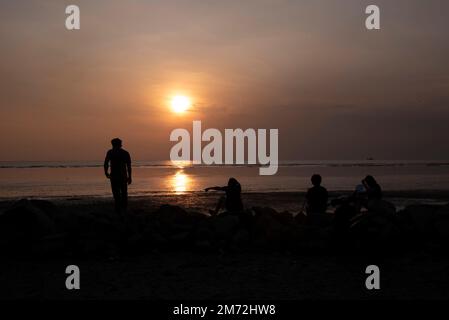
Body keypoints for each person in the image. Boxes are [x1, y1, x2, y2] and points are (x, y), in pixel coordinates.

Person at [104, 138, 132, 215]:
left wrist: (106, 172)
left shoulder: (110, 152)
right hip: (122, 176)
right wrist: (130, 177)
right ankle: (123, 209)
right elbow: (129, 166)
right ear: (120, 144)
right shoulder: (125, 153)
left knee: (116, 193)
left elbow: (106, 163)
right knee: (123, 193)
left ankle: (119, 208)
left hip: (115, 176)